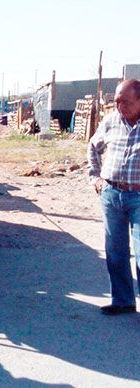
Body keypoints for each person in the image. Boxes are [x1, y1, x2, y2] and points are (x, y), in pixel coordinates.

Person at [88, 79, 140, 316]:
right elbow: (93, 146)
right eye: (117, 101)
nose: (120, 106)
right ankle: (122, 301)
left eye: (126, 102)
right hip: (111, 194)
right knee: (115, 251)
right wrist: (95, 178)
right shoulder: (111, 121)